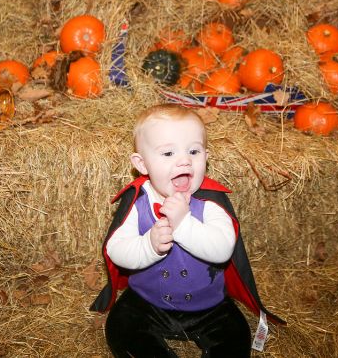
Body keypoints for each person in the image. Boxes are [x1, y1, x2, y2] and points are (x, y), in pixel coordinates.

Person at [90, 104, 283, 357]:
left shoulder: (211, 204)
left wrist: (183, 224)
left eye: (193, 151)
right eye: (168, 153)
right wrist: (148, 245)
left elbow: (223, 250)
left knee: (236, 337)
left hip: (210, 306)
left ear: (206, 157)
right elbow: (116, 250)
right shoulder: (139, 203)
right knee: (121, 328)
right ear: (142, 164)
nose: (184, 160)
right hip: (147, 301)